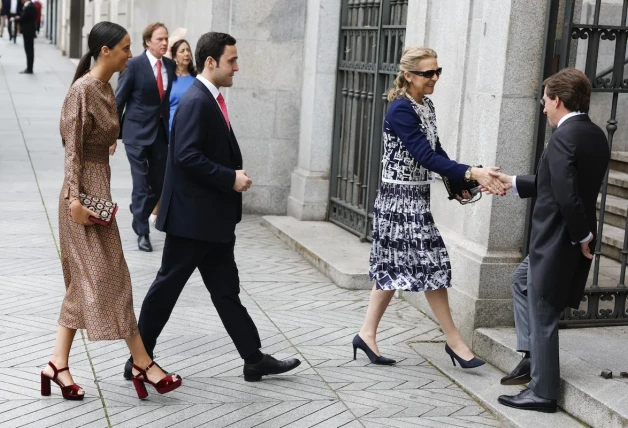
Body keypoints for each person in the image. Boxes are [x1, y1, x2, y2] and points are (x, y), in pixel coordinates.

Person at [122, 31, 301, 382]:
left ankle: (253, 358)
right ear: (211, 62)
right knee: (166, 289)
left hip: (211, 221)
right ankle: (137, 360)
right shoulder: (196, 100)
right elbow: (185, 154)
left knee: (225, 291)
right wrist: (229, 177)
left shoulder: (209, 97)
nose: (237, 67)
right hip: (192, 221)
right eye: (231, 60)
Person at [44, 21, 181, 401]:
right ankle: (143, 362)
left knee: (91, 281)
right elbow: (71, 149)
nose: (129, 54)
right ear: (105, 51)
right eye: (123, 47)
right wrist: (74, 200)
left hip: (97, 192)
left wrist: (103, 145)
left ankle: (57, 364)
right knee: (111, 278)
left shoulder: (105, 87)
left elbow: (94, 138)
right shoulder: (82, 90)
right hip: (81, 199)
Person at [353, 46, 506, 368]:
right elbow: (423, 155)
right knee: (432, 264)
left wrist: (462, 185)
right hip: (399, 201)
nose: (434, 78)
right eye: (427, 73)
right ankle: (455, 342)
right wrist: (472, 171)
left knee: (393, 268)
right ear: (408, 75)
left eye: (438, 71)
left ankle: (366, 334)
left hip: (416, 197)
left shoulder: (427, 106)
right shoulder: (400, 110)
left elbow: (437, 152)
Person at [487, 68, 610, 413]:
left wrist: (581, 235)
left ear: (557, 100)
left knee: (542, 311)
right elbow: (551, 180)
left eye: (545, 101)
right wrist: (510, 182)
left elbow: (567, 195)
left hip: (557, 238)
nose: (543, 108)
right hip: (568, 235)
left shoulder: (563, 138)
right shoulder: (594, 135)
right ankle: (531, 356)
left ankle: (543, 393)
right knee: (521, 280)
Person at [115, 22, 175, 252]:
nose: (164, 43)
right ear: (148, 41)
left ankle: (138, 211)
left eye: (166, 38)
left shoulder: (169, 65)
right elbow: (118, 100)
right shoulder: (133, 65)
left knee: (158, 184)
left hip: (160, 133)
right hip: (135, 133)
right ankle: (143, 233)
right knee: (141, 184)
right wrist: (113, 135)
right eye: (159, 39)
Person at [149, 37, 196, 225]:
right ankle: (156, 209)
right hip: (167, 132)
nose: (187, 54)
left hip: (189, 133)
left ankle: (178, 212)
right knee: (164, 174)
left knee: (184, 175)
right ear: (174, 55)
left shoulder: (195, 79)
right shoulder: (168, 77)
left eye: (188, 50)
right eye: (183, 50)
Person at [11, 0, 35, 73]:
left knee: (29, 50)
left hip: (28, 31)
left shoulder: (30, 6)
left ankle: (29, 68)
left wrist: (16, 19)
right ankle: (29, 67)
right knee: (28, 49)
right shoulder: (29, 6)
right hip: (28, 31)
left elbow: (24, 18)